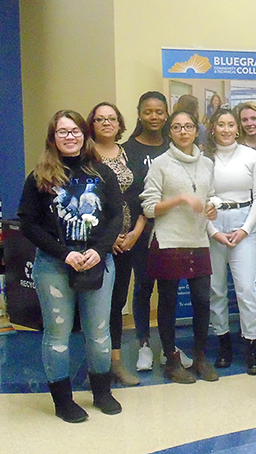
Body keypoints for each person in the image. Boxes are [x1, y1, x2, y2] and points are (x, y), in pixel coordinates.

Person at [18, 110, 124, 423]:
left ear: (84, 134)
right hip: (54, 264)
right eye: (62, 132)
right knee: (58, 333)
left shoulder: (102, 173)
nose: (69, 136)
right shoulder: (39, 176)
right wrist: (63, 253)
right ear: (53, 138)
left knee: (99, 333)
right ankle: (63, 401)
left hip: (96, 262)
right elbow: (28, 223)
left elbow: (116, 216)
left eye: (75, 130)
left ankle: (102, 393)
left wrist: (98, 250)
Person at [141, 110, 219, 384]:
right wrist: (180, 199)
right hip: (168, 240)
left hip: (198, 240)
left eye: (188, 126)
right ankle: (172, 362)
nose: (183, 131)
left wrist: (211, 209)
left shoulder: (207, 163)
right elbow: (149, 208)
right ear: (170, 132)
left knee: (202, 300)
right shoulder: (160, 164)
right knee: (168, 302)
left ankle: (199, 357)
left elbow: (209, 196)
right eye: (177, 127)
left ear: (196, 131)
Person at [205, 108, 256, 375]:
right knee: (216, 289)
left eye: (231, 124)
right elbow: (198, 197)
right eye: (221, 124)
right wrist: (213, 231)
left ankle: (252, 346)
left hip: (244, 225)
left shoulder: (251, 156)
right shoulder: (204, 158)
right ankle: (224, 345)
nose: (227, 129)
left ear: (237, 128)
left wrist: (244, 229)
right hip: (213, 227)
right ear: (213, 128)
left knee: (246, 289)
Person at [86, 102, 141, 386]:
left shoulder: (128, 153)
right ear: (91, 124)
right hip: (96, 241)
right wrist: (109, 238)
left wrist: (134, 232)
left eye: (111, 119)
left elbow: (141, 195)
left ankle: (115, 363)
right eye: (100, 119)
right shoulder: (84, 155)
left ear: (120, 124)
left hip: (128, 240)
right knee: (95, 303)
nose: (106, 123)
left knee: (117, 302)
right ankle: (96, 364)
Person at [122, 91, 175, 373]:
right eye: (148, 112)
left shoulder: (175, 147)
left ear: (166, 114)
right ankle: (143, 344)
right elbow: (128, 194)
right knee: (143, 285)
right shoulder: (127, 150)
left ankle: (169, 347)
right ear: (139, 114)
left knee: (168, 289)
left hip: (173, 229)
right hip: (140, 230)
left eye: (159, 112)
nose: (153, 117)